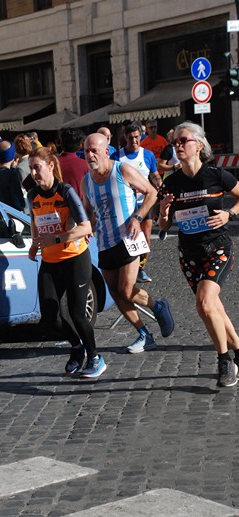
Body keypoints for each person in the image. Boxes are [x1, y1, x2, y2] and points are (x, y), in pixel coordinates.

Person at [158, 121, 239, 387]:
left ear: (199, 145)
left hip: (218, 248)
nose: (178, 146)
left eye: (183, 141)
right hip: (189, 254)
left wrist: (230, 213)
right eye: (175, 142)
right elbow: (165, 226)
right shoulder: (171, 183)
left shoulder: (216, 175)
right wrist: (164, 213)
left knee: (204, 303)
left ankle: (225, 360)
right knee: (213, 308)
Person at [81, 132, 174, 354]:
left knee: (127, 289)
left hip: (128, 239)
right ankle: (144, 334)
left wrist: (138, 217)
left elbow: (151, 192)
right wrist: (86, 227)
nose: (90, 155)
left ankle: (158, 307)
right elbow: (88, 210)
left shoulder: (122, 170)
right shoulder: (86, 181)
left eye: (94, 150)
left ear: (106, 151)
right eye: (86, 151)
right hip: (104, 242)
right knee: (115, 292)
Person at [28, 145, 106, 379]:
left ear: (51, 166)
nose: (33, 173)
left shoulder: (66, 191)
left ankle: (95, 357)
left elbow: (86, 227)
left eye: (37, 168)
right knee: (50, 316)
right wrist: (34, 243)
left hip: (75, 259)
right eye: (31, 168)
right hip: (50, 261)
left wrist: (57, 237)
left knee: (77, 314)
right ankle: (76, 347)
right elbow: (35, 220)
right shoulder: (33, 195)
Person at [111, 121, 162, 283]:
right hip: (125, 205)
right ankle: (124, 266)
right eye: (131, 137)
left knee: (146, 237)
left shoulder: (148, 155)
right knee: (125, 238)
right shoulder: (117, 156)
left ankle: (140, 269)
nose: (134, 140)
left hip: (144, 203)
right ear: (125, 137)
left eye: (137, 137)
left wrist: (160, 185)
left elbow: (154, 175)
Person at [0, 141, 25, 211]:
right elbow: (19, 204)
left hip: (0, 215)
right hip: (13, 216)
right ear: (12, 155)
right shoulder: (11, 175)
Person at [57, 128, 88, 198]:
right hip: (80, 206)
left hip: (55, 207)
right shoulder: (85, 165)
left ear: (61, 144)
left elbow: (27, 183)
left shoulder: (51, 164)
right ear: (80, 146)